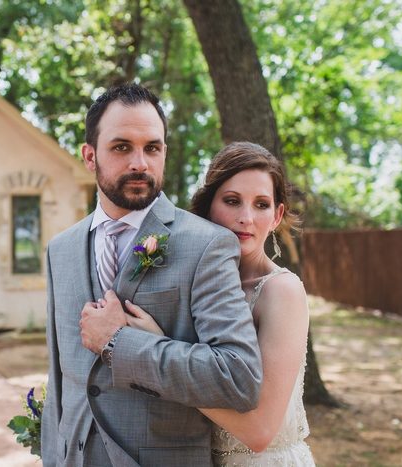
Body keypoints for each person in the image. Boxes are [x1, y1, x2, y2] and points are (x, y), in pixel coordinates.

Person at [41, 83, 264, 467]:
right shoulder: (59, 250)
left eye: (153, 148)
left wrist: (118, 343)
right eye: (121, 147)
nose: (140, 163)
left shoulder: (206, 245)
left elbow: (238, 378)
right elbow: (60, 381)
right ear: (90, 156)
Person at [127, 141, 315, 465]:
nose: (246, 218)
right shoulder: (191, 283)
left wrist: (155, 347)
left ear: (277, 215)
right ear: (208, 206)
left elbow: (259, 431)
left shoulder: (281, 292)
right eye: (232, 201)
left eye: (261, 205)